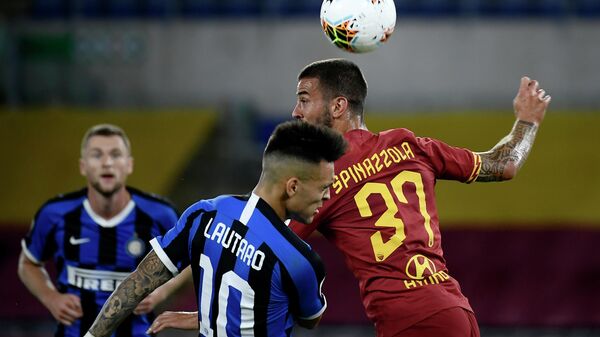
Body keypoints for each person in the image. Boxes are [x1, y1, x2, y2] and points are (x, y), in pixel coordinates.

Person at [145, 59, 551, 337]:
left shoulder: (323, 176)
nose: (296, 110)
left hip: (409, 320)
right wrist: (526, 122)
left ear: (338, 105)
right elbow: (503, 164)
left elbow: (248, 241)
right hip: (453, 309)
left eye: (305, 99)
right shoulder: (409, 144)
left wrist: (190, 308)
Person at [83, 120, 348, 337]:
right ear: (292, 187)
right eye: (324, 188)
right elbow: (309, 318)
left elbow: (139, 281)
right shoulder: (300, 260)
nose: (326, 197)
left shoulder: (204, 213)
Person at [18, 123, 190, 337]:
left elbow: (189, 261)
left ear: (129, 165)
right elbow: (28, 263)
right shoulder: (54, 214)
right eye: (97, 155)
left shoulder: (159, 214)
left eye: (116, 155)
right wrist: (51, 298)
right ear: (83, 166)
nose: (107, 163)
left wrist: (160, 291)